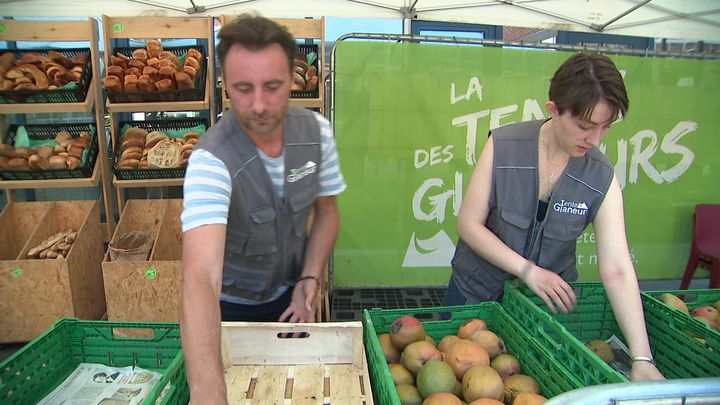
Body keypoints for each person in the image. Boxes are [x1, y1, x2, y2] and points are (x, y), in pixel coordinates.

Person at [444, 52, 664, 381]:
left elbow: (617, 269)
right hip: (474, 294)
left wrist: (641, 356)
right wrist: (527, 270)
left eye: (606, 127)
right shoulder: (504, 145)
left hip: (540, 314)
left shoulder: (601, 176)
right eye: (585, 126)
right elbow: (469, 224)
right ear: (553, 110)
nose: (595, 139)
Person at [180, 14, 346, 403]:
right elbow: (200, 275)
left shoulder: (317, 133)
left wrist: (309, 281)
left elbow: (328, 213)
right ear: (224, 84)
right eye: (242, 88)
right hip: (229, 311)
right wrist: (207, 390)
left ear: (293, 78)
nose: (258, 105)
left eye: (272, 86)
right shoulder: (211, 161)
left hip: (293, 299)